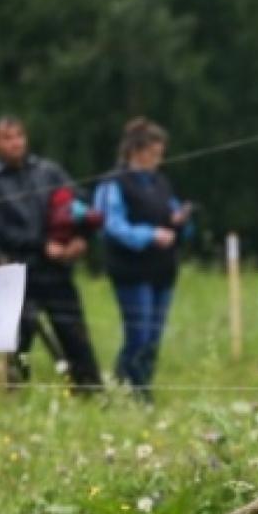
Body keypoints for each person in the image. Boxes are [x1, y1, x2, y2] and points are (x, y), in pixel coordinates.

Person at [0, 116, 103, 390]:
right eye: (7, 138)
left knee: (74, 334)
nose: (15, 143)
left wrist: (80, 239)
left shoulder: (50, 172)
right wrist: (41, 245)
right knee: (18, 340)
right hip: (19, 274)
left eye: (19, 135)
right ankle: (14, 394)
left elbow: (79, 204)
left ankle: (91, 392)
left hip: (58, 271)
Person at [94, 118, 190, 400]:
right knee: (139, 336)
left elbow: (172, 215)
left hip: (163, 271)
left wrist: (180, 221)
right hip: (131, 271)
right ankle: (125, 387)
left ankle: (142, 389)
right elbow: (111, 225)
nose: (159, 159)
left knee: (154, 339)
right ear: (137, 151)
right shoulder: (113, 184)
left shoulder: (161, 182)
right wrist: (150, 235)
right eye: (155, 153)